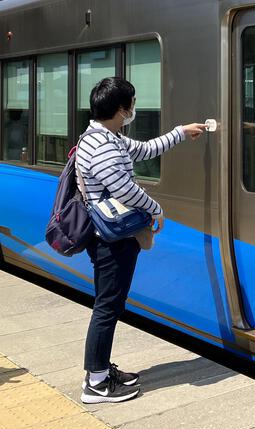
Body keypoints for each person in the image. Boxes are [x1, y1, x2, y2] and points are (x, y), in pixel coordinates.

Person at [78, 77, 207, 404]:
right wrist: (155, 209)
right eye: (132, 104)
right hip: (112, 238)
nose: (134, 109)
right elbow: (123, 188)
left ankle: (102, 369)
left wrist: (180, 132)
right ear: (122, 110)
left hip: (112, 234)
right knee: (108, 306)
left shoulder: (107, 137)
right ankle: (95, 383)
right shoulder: (103, 146)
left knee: (110, 302)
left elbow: (146, 149)